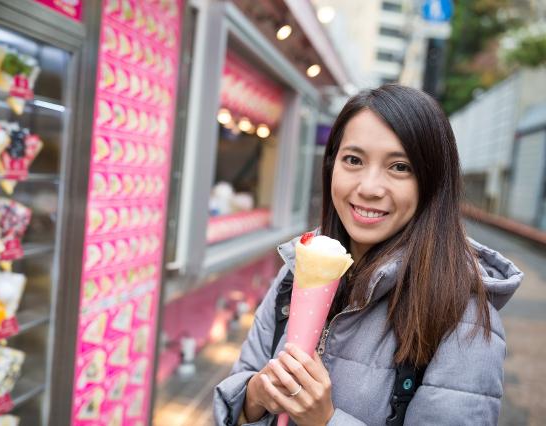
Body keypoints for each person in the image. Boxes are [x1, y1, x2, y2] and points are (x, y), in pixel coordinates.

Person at [213, 84, 523, 426]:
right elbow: (242, 384)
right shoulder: (296, 273)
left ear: (432, 181)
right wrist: (254, 396)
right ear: (331, 165)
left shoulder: (465, 319)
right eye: (353, 160)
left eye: (400, 167)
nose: (369, 187)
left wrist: (325, 420)